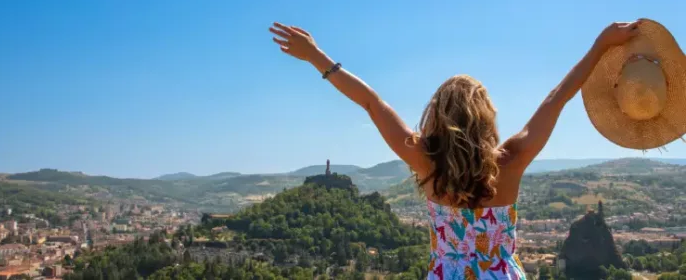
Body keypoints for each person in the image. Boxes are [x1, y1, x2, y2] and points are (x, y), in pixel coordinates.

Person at [269, 20, 641, 279]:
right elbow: (555, 100)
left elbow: (371, 103)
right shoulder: (510, 162)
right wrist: (600, 45)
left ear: (437, 114)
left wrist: (317, 56)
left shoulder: (425, 161)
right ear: (486, 117)